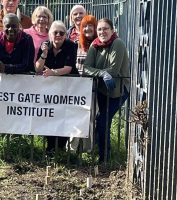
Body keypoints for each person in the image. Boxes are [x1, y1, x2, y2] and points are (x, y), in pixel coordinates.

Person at [83, 18, 130, 162]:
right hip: (102, 90)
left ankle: (104, 157)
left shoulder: (118, 43)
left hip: (118, 91)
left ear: (112, 30)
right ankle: (102, 152)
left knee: (103, 121)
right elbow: (86, 68)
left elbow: (114, 70)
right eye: (100, 29)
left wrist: (100, 72)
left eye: (105, 29)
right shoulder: (95, 45)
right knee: (102, 121)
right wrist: (102, 73)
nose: (102, 32)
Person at [35, 20, 78, 152]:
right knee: (49, 116)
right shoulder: (45, 46)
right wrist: (44, 54)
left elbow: (68, 68)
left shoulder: (71, 46)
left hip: (67, 89)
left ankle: (60, 148)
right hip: (49, 89)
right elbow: (37, 69)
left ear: (66, 35)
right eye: (55, 32)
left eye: (61, 33)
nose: (58, 35)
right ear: (50, 34)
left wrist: (53, 72)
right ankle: (50, 148)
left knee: (63, 116)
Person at [68, 15, 98, 153]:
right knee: (74, 117)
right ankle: (72, 150)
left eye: (90, 25)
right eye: (85, 26)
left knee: (90, 119)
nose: (87, 29)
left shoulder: (99, 45)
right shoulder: (76, 45)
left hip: (92, 88)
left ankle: (88, 150)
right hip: (77, 88)